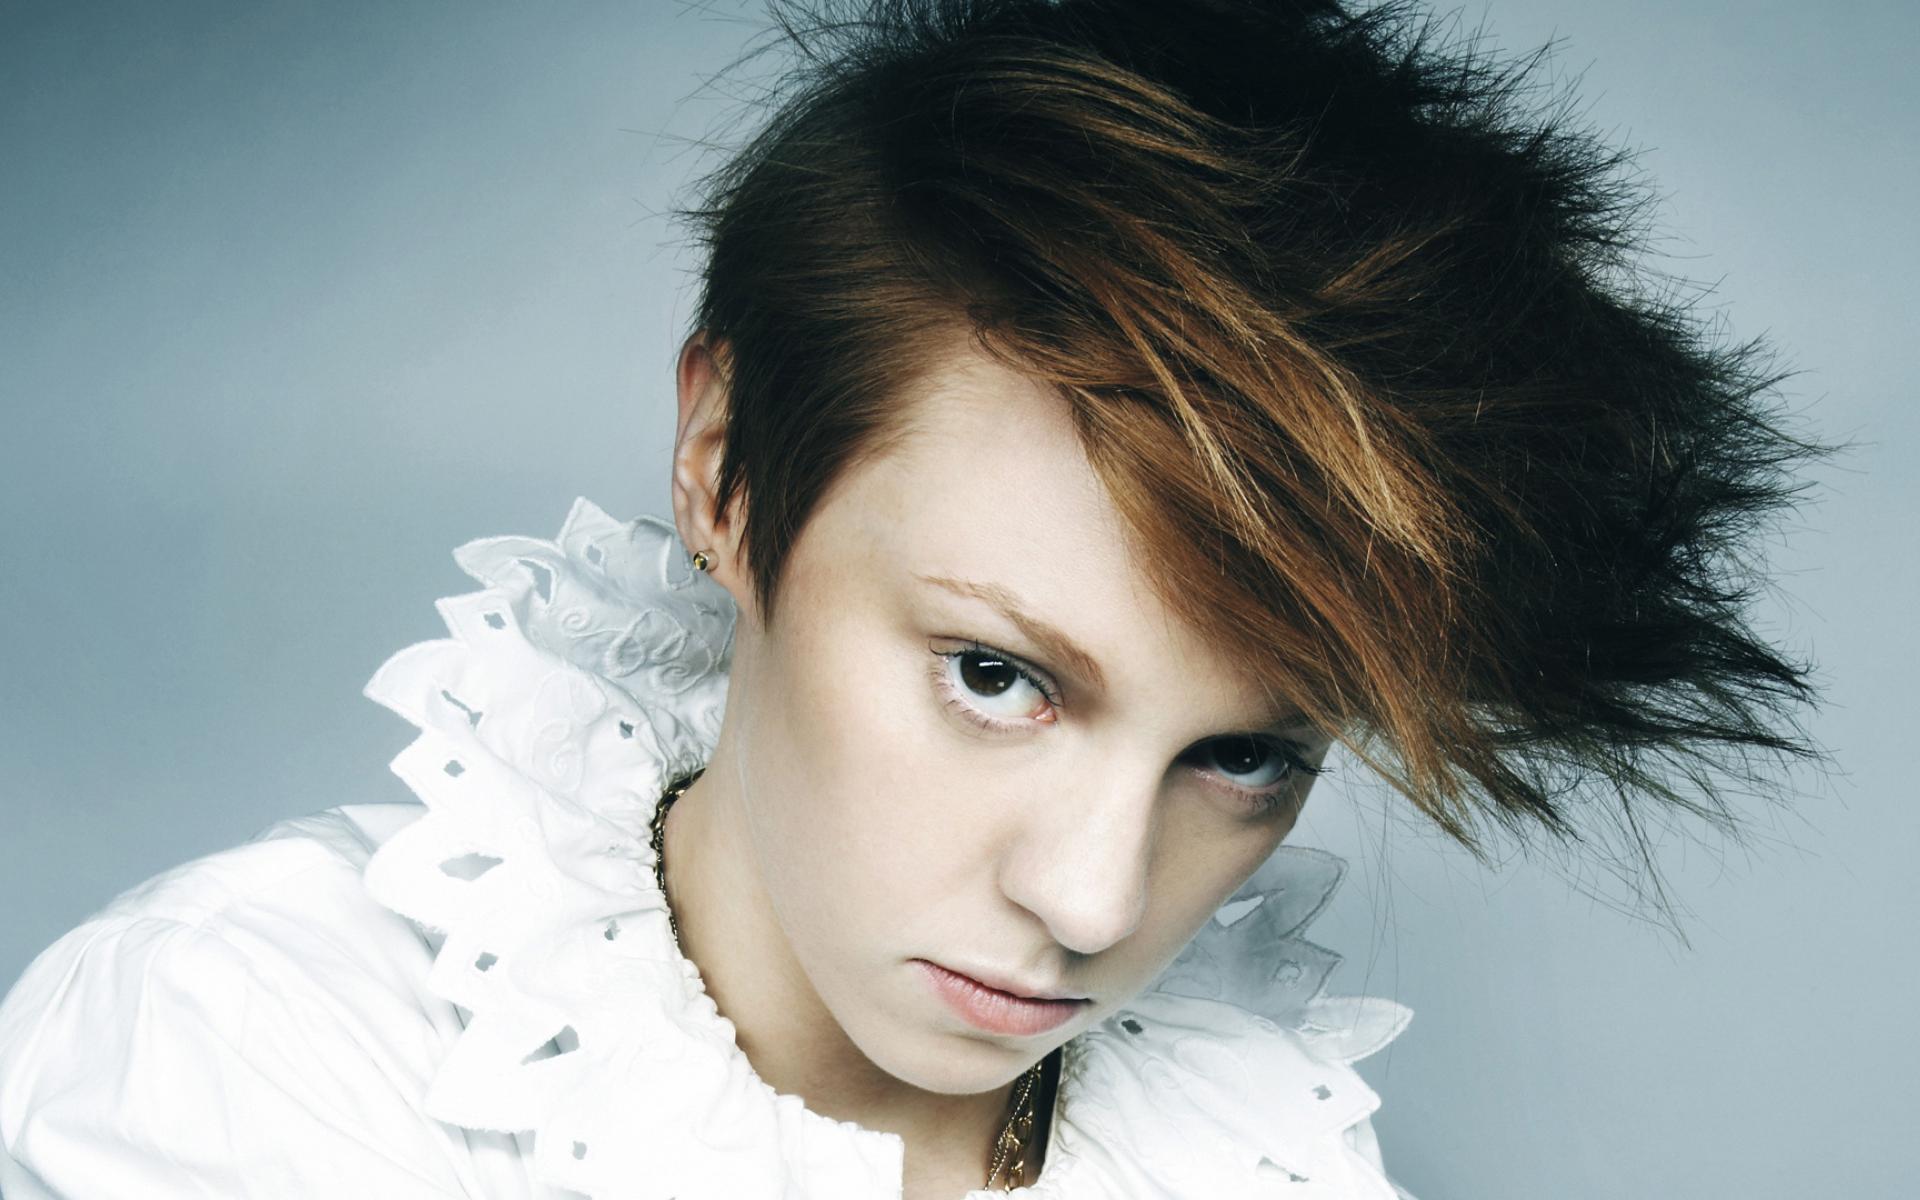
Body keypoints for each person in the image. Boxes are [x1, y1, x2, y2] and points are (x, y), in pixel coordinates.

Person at [0, 1, 1826, 1197]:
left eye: (1247, 757)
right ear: (725, 468)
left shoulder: (1257, 1157)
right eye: (997, 676)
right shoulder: (244, 1052)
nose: (1092, 901)